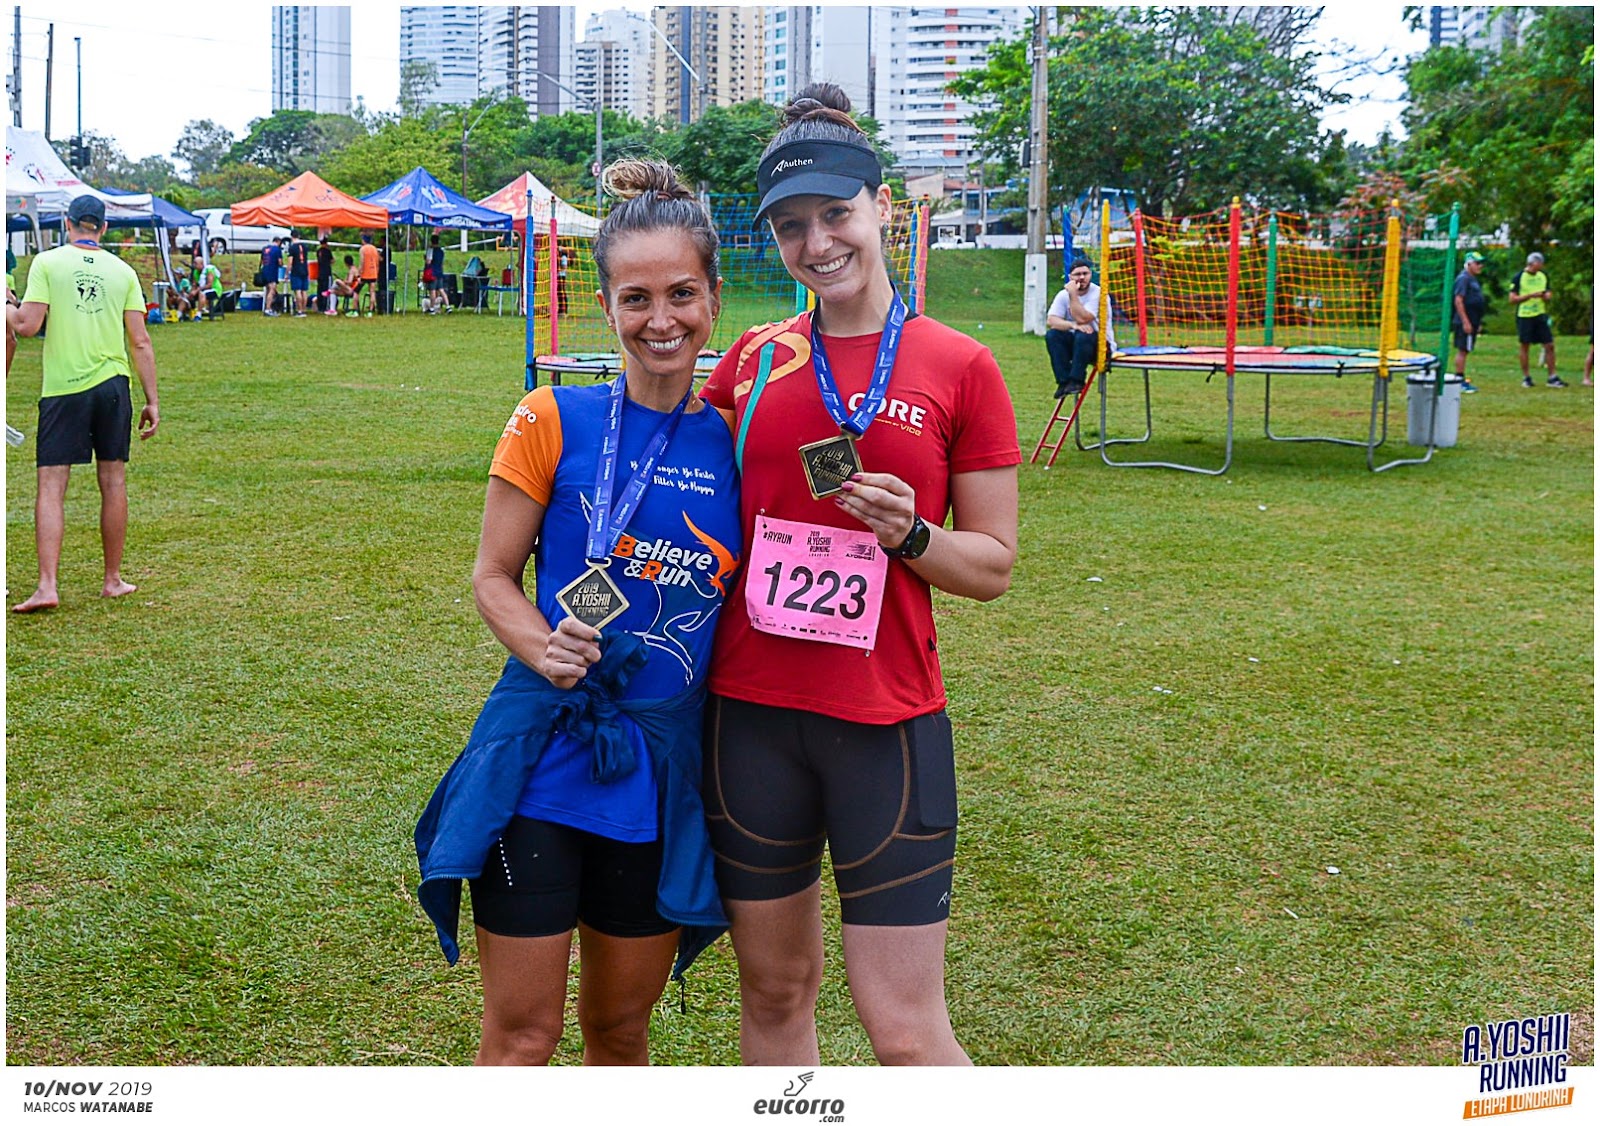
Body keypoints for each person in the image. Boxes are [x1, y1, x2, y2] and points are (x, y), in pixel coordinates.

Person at [699, 83, 1020, 1066]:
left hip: (885, 723)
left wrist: (911, 534)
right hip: (749, 719)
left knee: (906, 1032)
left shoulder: (960, 364)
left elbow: (992, 564)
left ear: (883, 206)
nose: (818, 242)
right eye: (791, 226)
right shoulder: (752, 362)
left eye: (835, 214)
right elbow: (682, 499)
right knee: (774, 994)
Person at [415, 158, 740, 1066]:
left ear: (713, 299)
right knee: (523, 1036)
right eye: (636, 299)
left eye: (681, 294)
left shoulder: (739, 437)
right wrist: (541, 646)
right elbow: (493, 575)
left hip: (660, 772)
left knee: (619, 1032)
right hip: (542, 759)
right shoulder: (550, 416)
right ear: (606, 306)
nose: (661, 320)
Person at [7, 194, 160, 613]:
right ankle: (112, 580)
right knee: (113, 481)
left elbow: (27, 325)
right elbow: (140, 341)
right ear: (104, 228)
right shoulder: (123, 271)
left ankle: (47, 586)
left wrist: (6, 305)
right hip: (114, 386)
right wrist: (152, 399)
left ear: (68, 224)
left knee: (52, 485)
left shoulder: (48, 263)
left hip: (64, 387)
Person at [1046, 258, 1117, 399]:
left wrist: (1073, 295)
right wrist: (1072, 325)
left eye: (1085, 273)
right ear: (1070, 277)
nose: (1082, 277)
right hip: (1077, 345)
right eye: (1077, 274)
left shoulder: (1098, 294)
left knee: (1084, 334)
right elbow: (1052, 320)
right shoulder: (1063, 295)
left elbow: (1084, 318)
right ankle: (1063, 382)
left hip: (1100, 346)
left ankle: (1076, 381)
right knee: (1053, 335)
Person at [1510, 251, 1564, 388]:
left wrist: (1547, 296)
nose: (1541, 266)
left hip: (1540, 314)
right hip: (1525, 315)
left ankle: (1552, 377)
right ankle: (1526, 377)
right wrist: (1530, 296)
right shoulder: (1519, 277)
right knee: (1525, 346)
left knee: (1549, 345)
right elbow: (1512, 299)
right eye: (1539, 264)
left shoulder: (1542, 276)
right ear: (1533, 263)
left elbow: (1548, 291)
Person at [1450, 251, 1487, 394]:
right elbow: (1458, 300)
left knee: (1466, 349)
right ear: (1469, 264)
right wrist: (1465, 321)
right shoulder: (1463, 279)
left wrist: (1478, 322)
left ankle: (1461, 378)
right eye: (1477, 263)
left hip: (1473, 320)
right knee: (1463, 349)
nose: (1480, 266)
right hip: (1464, 321)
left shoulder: (1472, 279)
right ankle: (1459, 379)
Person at [286, 237, 310, 317]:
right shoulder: (305, 246)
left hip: (296, 271)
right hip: (305, 270)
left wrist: (287, 273)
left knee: (298, 291)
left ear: (292, 237)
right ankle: (304, 310)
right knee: (304, 291)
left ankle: (299, 310)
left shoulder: (292, 248)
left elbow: (290, 262)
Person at [358, 232, 380, 317]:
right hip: (373, 273)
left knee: (356, 291)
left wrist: (359, 273)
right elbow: (377, 263)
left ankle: (356, 309)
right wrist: (376, 272)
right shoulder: (375, 249)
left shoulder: (363, 249)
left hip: (365, 273)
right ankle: (371, 310)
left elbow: (362, 262)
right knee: (372, 292)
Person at [426, 234, 450, 314]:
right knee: (441, 290)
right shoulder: (441, 251)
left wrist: (425, 259)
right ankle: (448, 306)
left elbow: (428, 261)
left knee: (432, 291)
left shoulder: (430, 250)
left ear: (431, 241)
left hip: (432, 273)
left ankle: (432, 308)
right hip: (439, 272)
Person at [260, 236, 283, 316]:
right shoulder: (277, 250)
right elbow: (280, 262)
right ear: (278, 242)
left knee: (268, 289)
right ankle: (268, 309)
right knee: (272, 290)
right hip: (272, 271)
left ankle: (267, 307)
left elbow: (262, 261)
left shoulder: (265, 249)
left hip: (265, 271)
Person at [316, 237, 335, 315]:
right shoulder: (327, 251)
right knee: (326, 290)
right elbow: (332, 260)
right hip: (327, 273)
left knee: (320, 289)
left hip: (320, 273)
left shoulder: (318, 251)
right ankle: (325, 306)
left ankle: (319, 306)